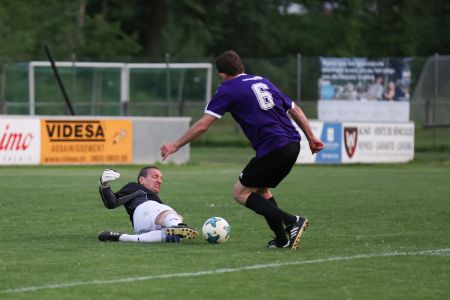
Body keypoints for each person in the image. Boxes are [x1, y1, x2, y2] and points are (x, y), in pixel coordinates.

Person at [160, 50, 324, 250]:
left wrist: (176, 144)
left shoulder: (228, 88)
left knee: (240, 192)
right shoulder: (263, 81)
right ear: (241, 67)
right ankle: (282, 240)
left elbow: (203, 125)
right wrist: (311, 137)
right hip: (292, 145)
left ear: (222, 74)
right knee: (262, 190)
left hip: (274, 147)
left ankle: (293, 221)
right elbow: (295, 109)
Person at [97, 166, 198, 243]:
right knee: (171, 215)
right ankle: (177, 227)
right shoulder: (136, 187)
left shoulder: (155, 201)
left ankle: (122, 237)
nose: (159, 181)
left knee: (173, 235)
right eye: (155, 177)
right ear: (142, 180)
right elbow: (112, 202)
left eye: (161, 178)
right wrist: (104, 185)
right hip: (144, 211)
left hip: (141, 224)